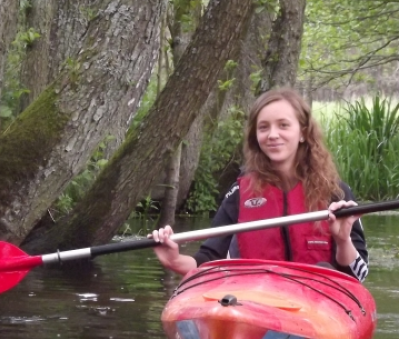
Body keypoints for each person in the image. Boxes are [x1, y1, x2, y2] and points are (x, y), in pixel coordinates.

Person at [151, 88, 368, 282]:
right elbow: (208, 261)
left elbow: (358, 275)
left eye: (283, 125)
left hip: (318, 303)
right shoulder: (239, 193)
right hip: (256, 299)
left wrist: (343, 240)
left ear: (303, 132)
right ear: (256, 136)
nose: (273, 135)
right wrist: (175, 260)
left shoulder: (335, 192)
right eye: (263, 127)